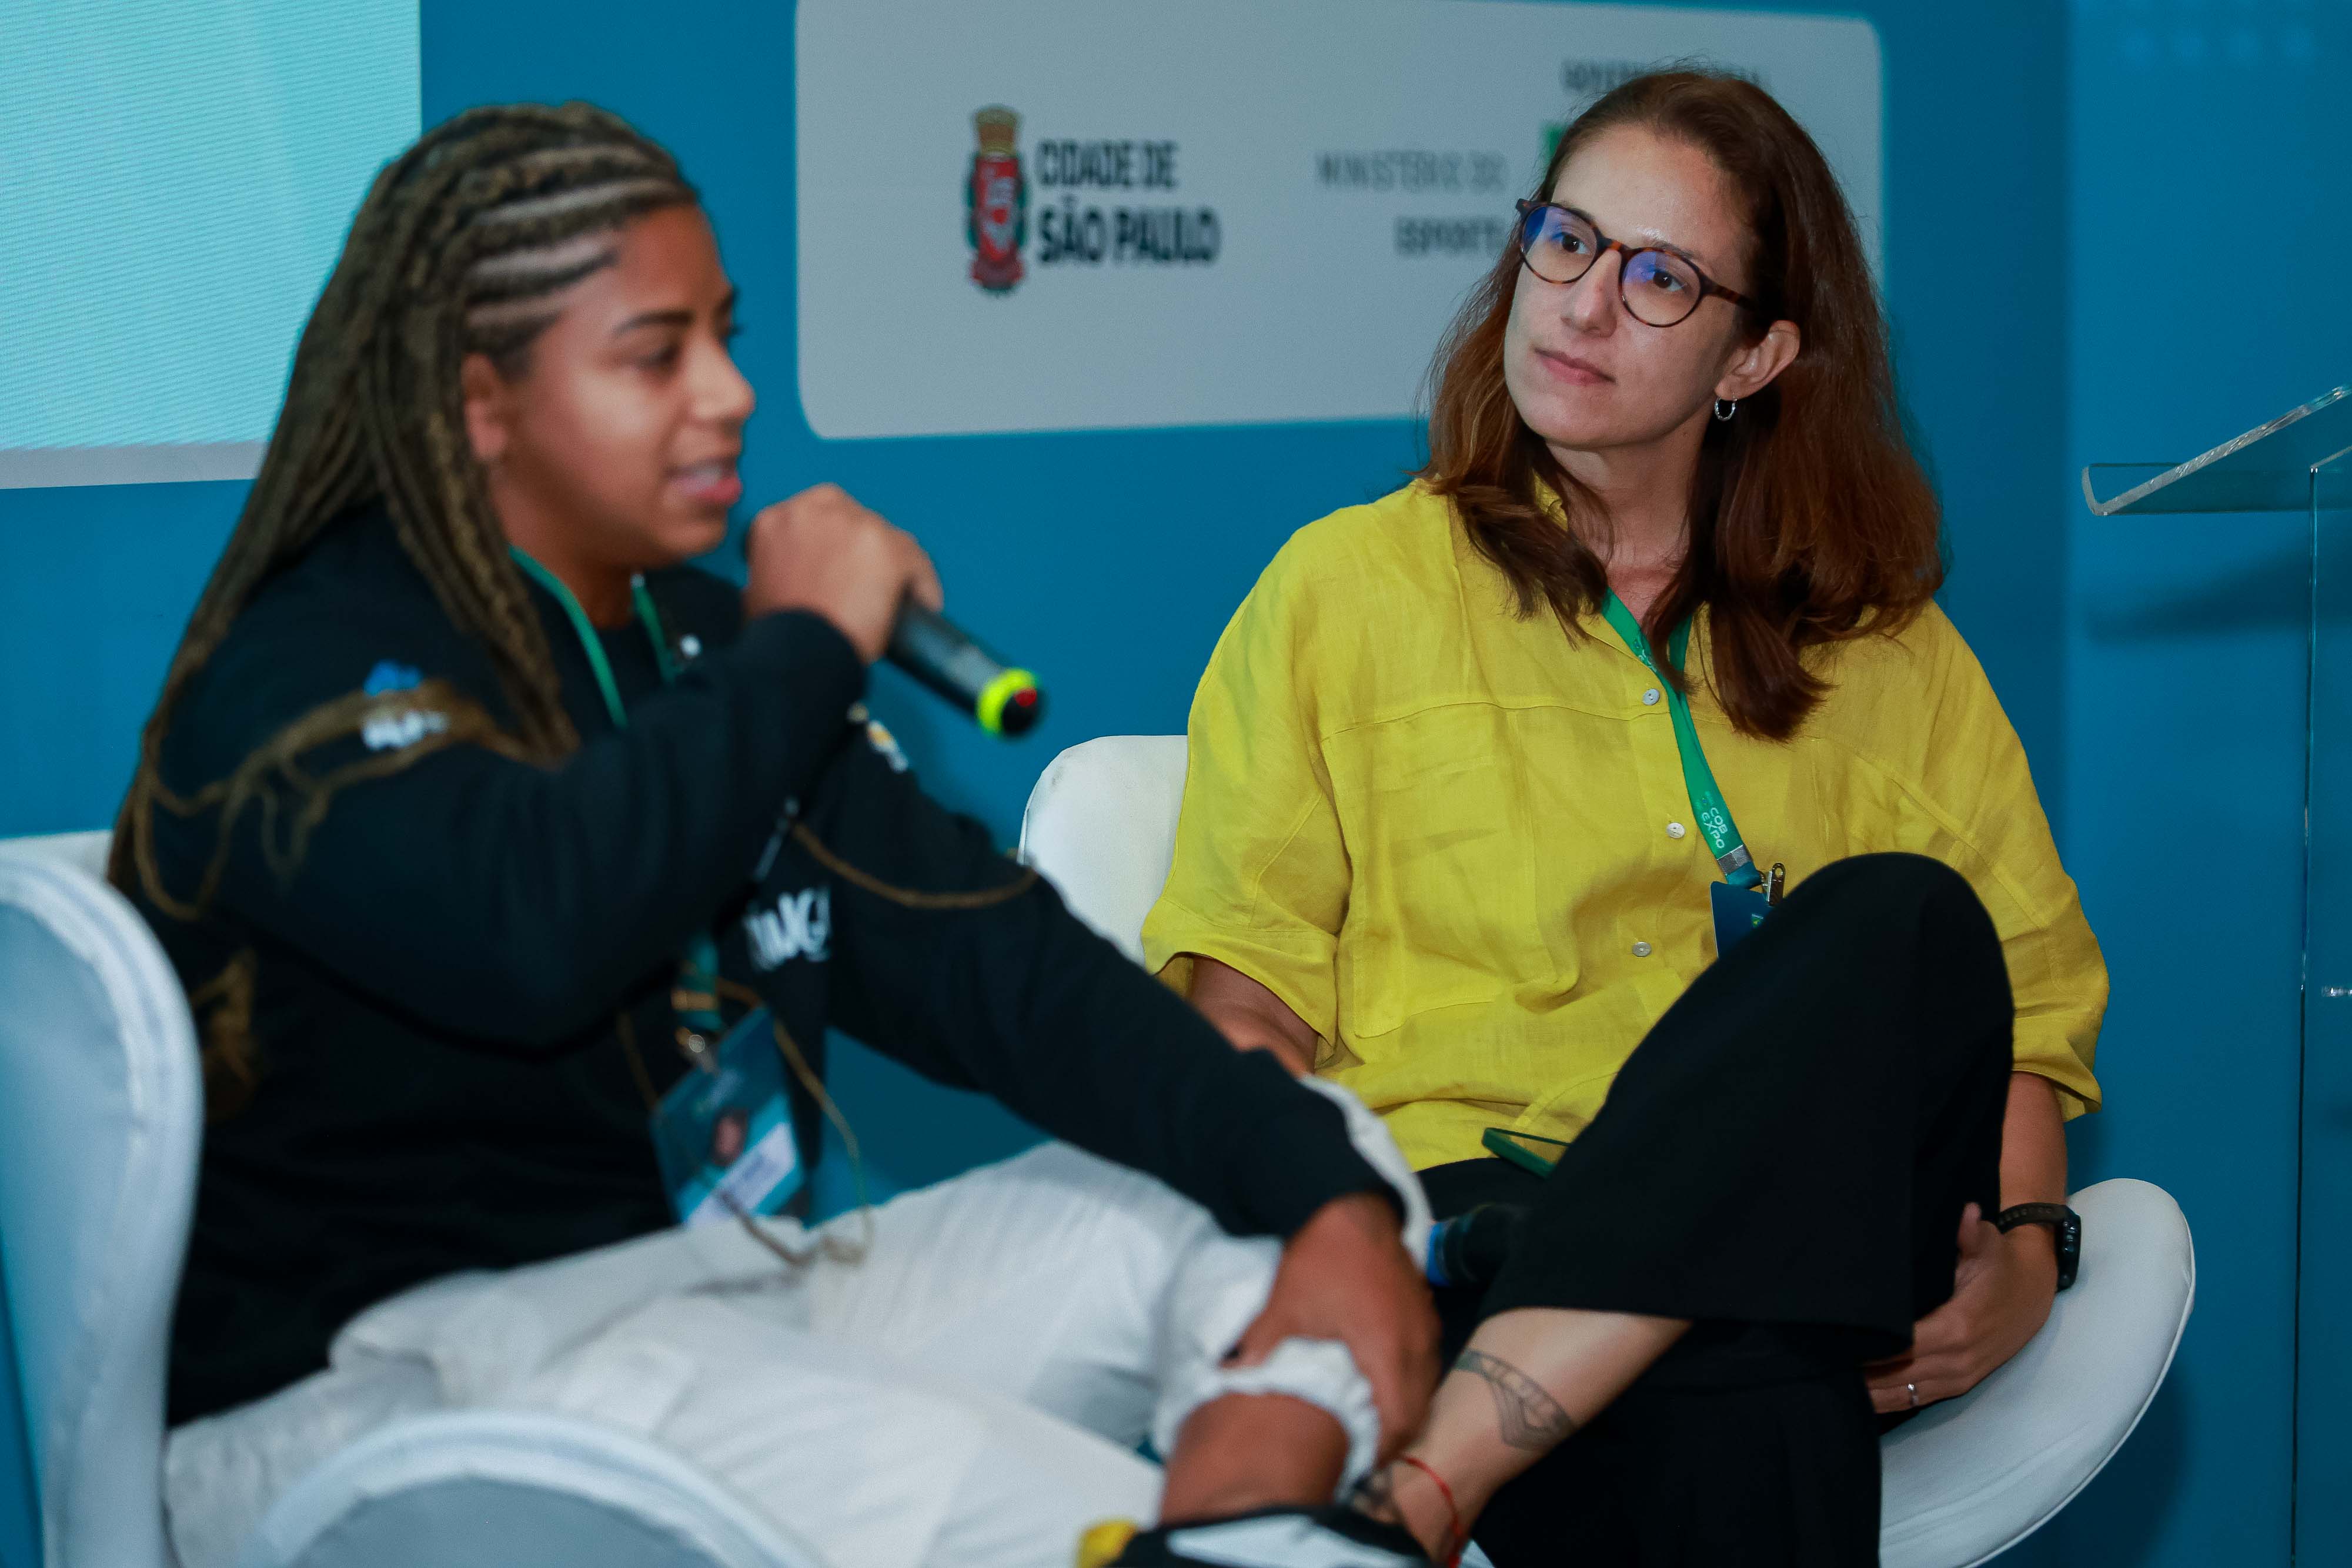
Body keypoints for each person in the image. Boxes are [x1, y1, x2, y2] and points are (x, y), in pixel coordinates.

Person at [116, 102, 1443, 1568]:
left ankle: (1234, 1524)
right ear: (478, 400)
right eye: (655, 353)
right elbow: (539, 924)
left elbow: (1001, 971)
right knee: (1019, 1489)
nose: (731, 393)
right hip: (399, 1395)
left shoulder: (703, 649)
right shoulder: (303, 674)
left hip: (725, 1300)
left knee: (1296, 1149)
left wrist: (1317, 1195)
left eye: (726, 337)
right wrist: (805, 640)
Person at [1142, 71, 2107, 1565]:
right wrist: (1316, 1245)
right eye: (1565, 240)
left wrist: (2030, 1254)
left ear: (1757, 352)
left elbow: (2020, 1027)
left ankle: (1432, 1477)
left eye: (1658, 277)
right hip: (1477, 1218)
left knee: (1897, 919)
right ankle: (1478, 1441)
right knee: (1748, 1388)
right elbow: (1242, 997)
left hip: (1828, 1232)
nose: (1582, 304)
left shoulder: (1888, 647)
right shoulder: (1345, 591)